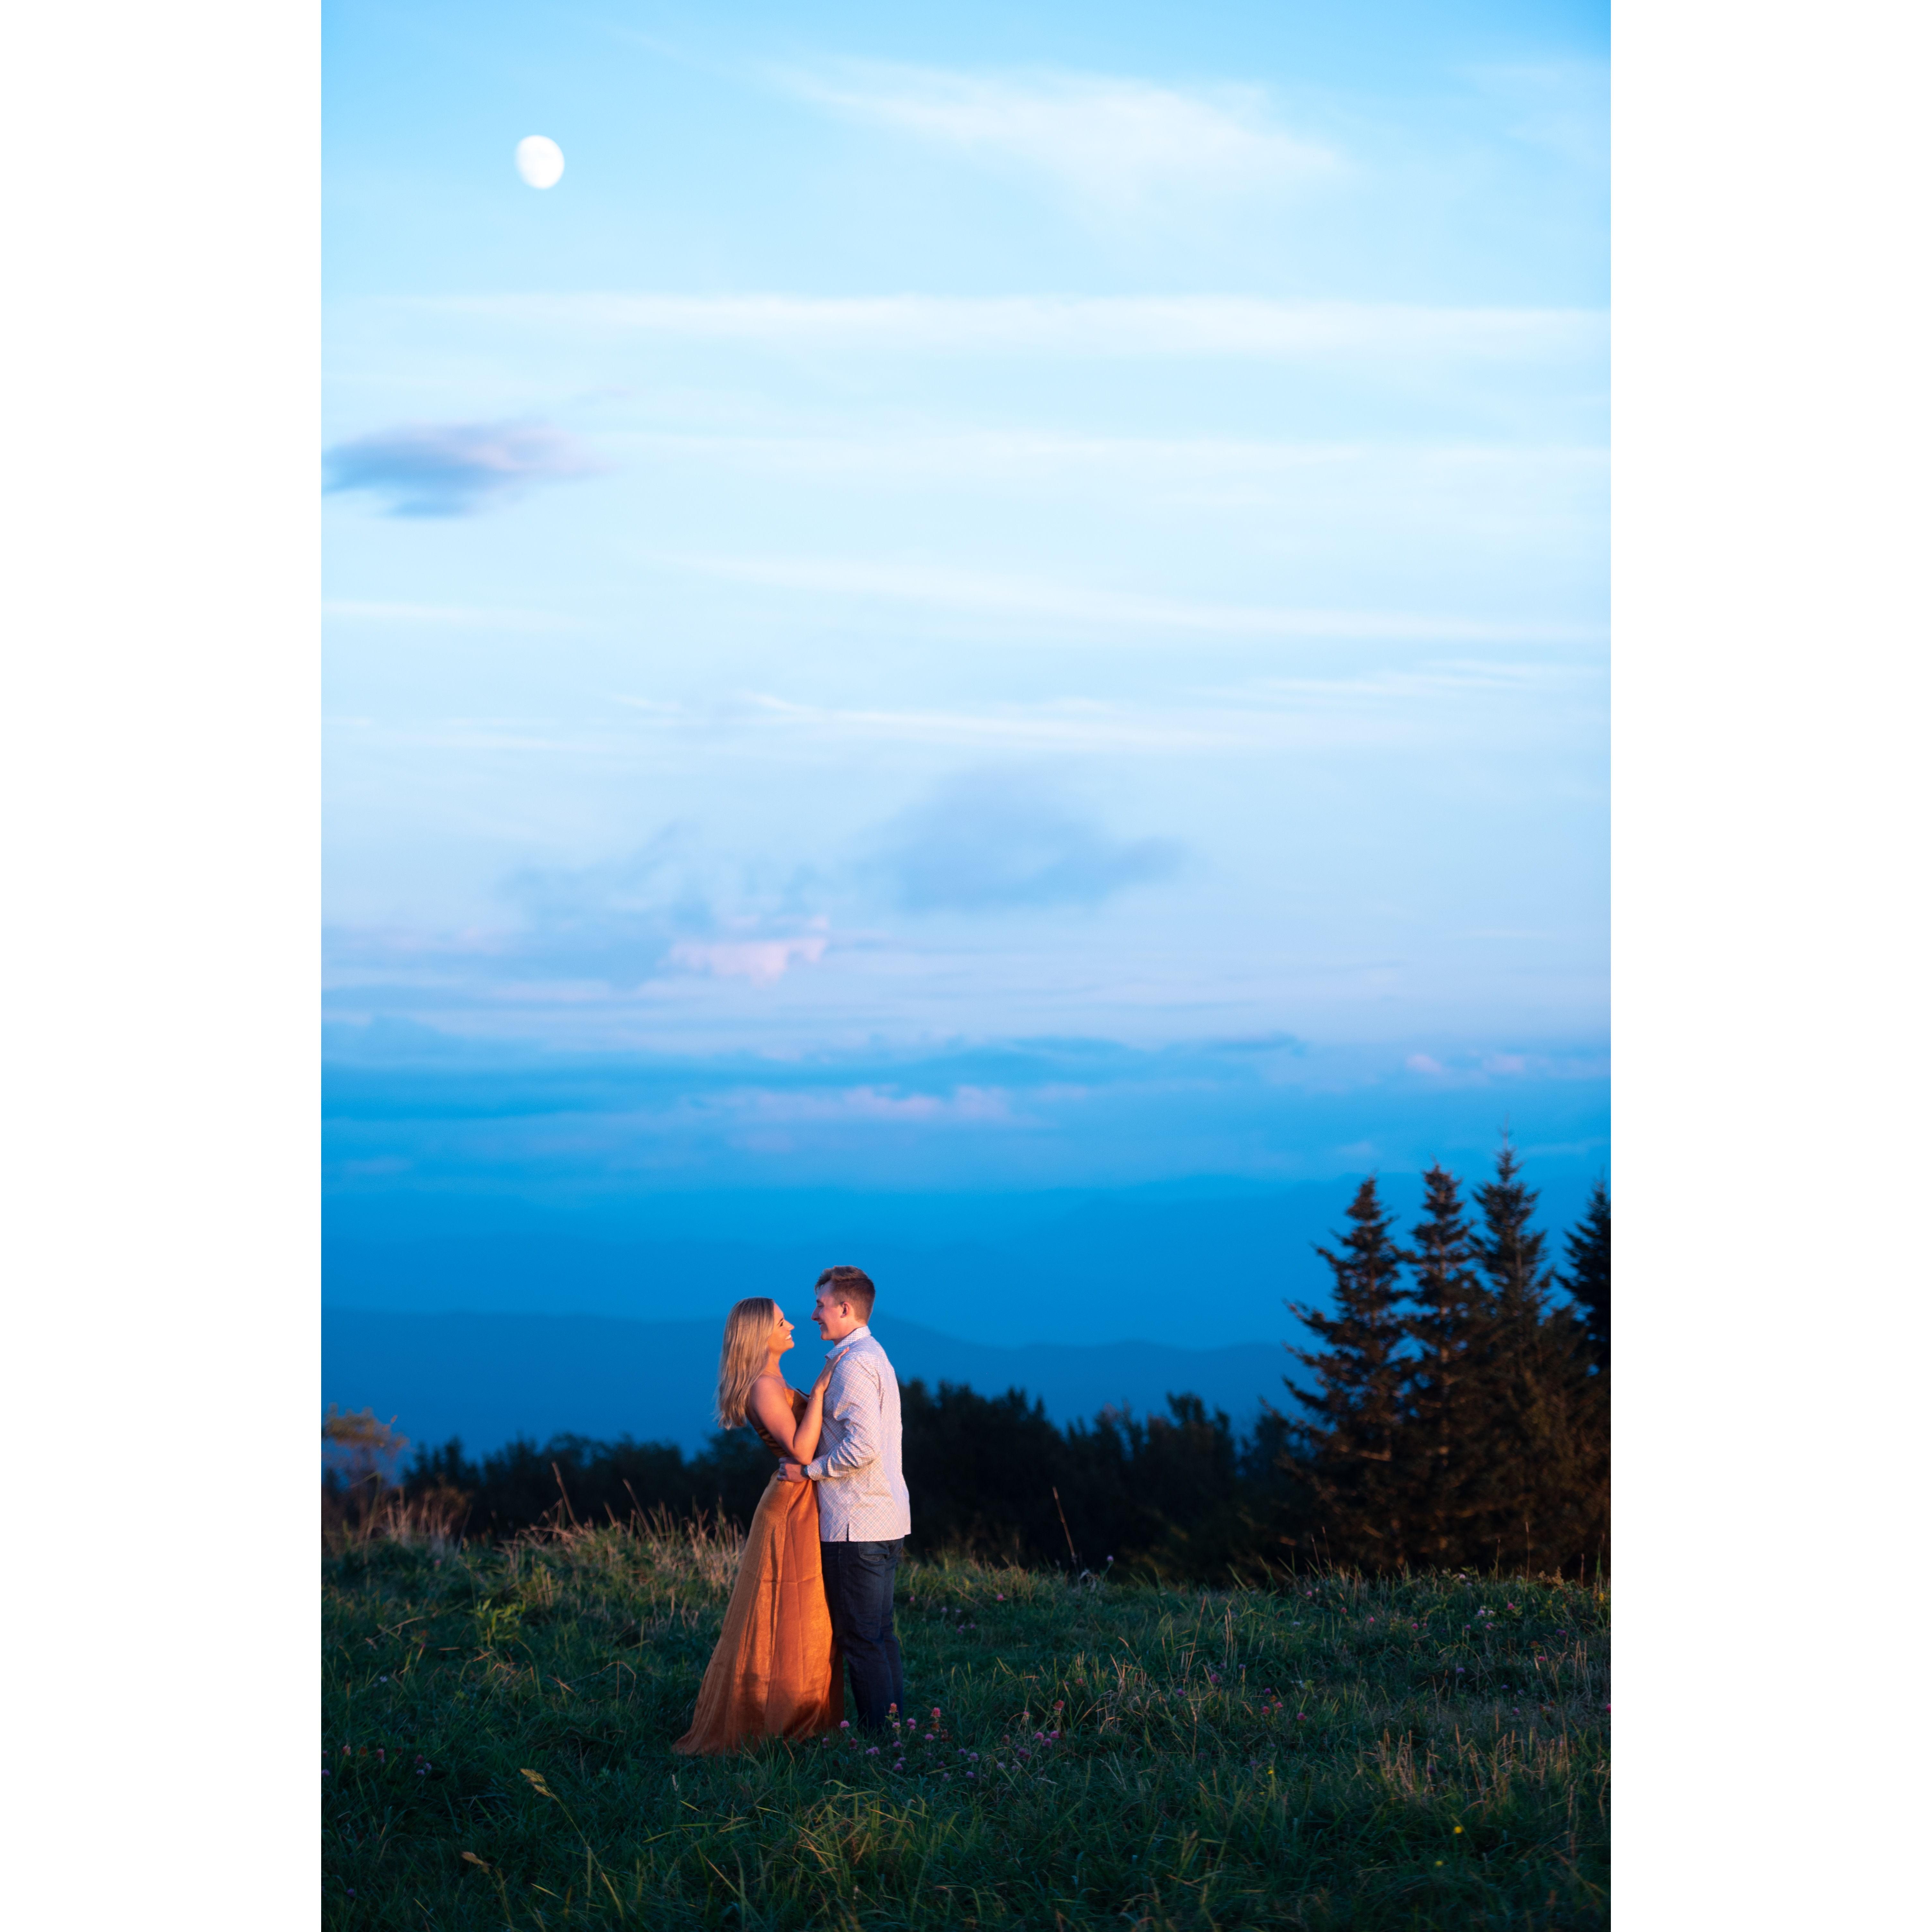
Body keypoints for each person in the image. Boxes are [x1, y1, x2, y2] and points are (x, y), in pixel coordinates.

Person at [672, 1298, 841, 1754]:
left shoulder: (773, 1379)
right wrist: (822, 1392)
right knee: (790, 1609)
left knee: (804, 1608)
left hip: (801, 1499)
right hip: (790, 1506)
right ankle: (779, 1718)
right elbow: (802, 1453)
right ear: (759, 1335)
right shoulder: (764, 1386)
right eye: (781, 1321)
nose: (792, 1325)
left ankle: (798, 1709)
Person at [777, 1265, 911, 1733]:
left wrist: (808, 1471)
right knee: (879, 1635)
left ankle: (880, 1742)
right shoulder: (871, 1354)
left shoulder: (853, 1364)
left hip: (857, 1524)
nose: (813, 1314)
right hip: (883, 1516)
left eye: (820, 1304)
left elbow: (863, 1447)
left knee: (861, 1638)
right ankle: (896, 1733)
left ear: (845, 1308)